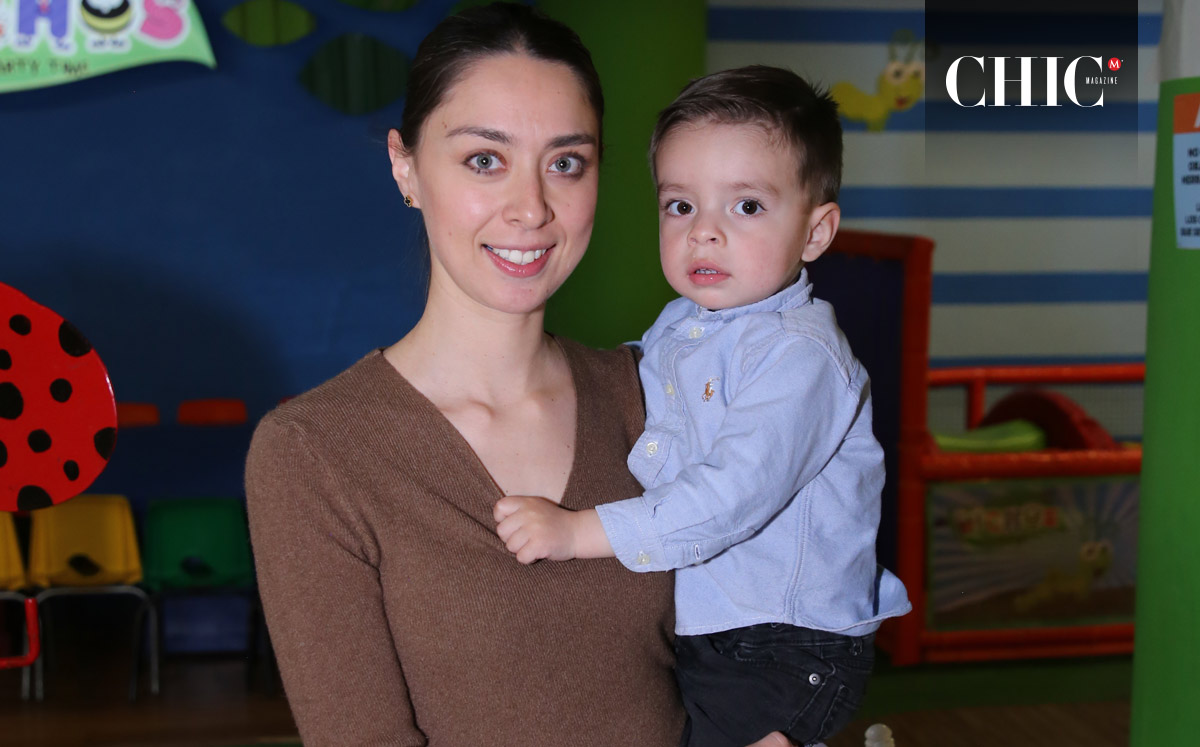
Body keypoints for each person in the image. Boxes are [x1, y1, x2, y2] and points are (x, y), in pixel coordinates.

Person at [245, 5, 792, 746]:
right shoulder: (315, 451)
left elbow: (767, 631)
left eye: (566, 162)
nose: (531, 208)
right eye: (484, 160)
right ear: (405, 167)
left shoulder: (657, 394)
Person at [494, 65, 912, 747]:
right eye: (680, 205)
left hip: (784, 644)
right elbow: (634, 383)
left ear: (815, 232)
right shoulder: (683, 322)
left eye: (746, 206)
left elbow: (729, 495)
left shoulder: (800, 356)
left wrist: (576, 532)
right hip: (715, 630)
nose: (703, 232)